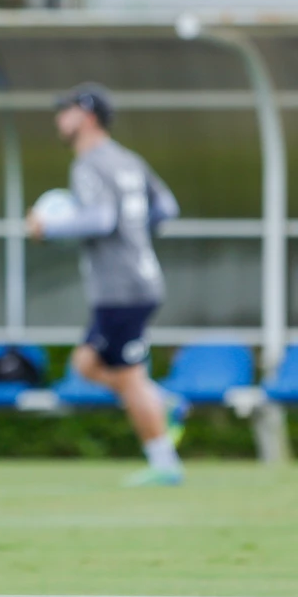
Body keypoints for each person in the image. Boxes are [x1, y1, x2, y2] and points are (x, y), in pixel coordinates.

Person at [26, 82, 184, 487]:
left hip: (123, 288)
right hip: (136, 280)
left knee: (127, 377)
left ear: (87, 115)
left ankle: (164, 463)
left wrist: (48, 226)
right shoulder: (127, 160)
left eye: (66, 111)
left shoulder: (90, 163)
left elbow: (101, 220)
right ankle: (164, 401)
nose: (59, 119)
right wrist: (136, 238)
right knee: (86, 365)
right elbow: (167, 207)